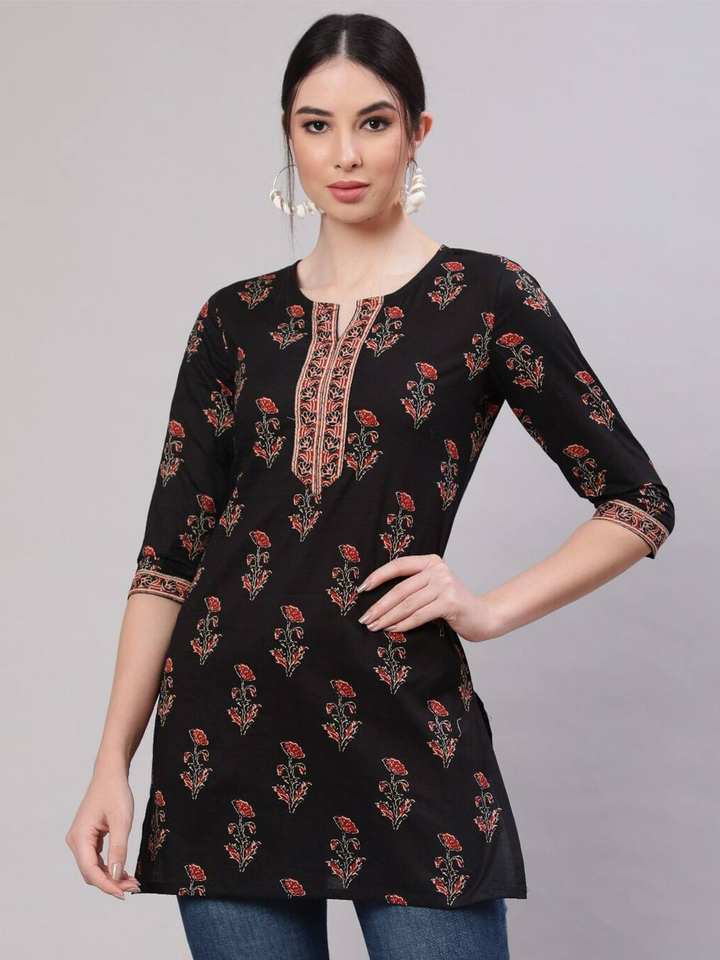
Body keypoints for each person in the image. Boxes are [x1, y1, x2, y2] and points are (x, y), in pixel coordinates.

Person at [65, 12, 676, 960]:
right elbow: (168, 563)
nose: (344, 154)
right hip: (224, 747)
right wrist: (112, 761)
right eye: (316, 125)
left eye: (374, 123)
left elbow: (638, 503)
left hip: (404, 730)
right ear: (289, 135)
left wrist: (489, 610)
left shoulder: (487, 298)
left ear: (417, 132)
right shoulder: (233, 320)